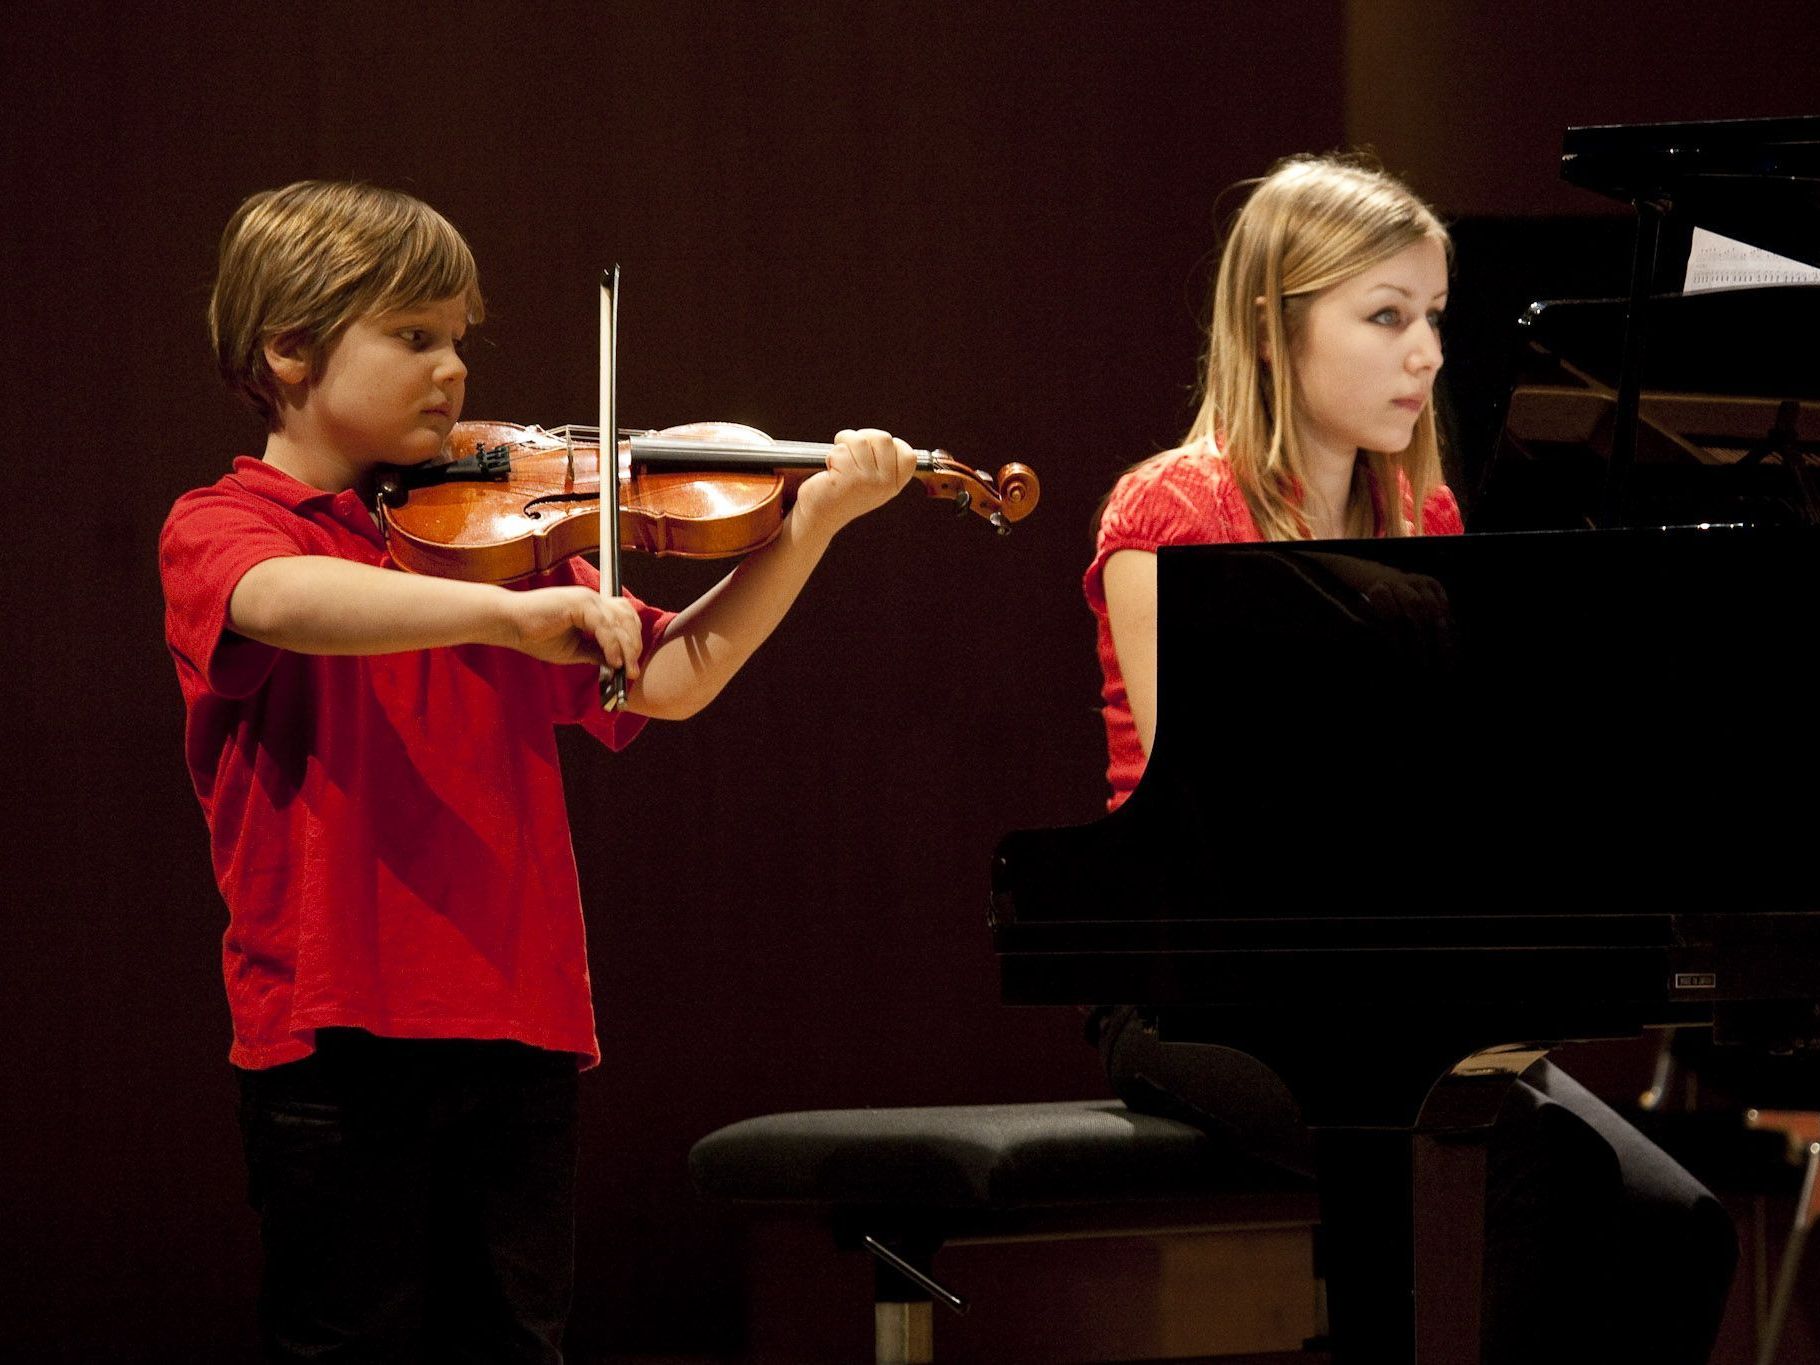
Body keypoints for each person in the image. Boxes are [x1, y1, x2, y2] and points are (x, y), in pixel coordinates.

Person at [160, 180, 918, 1363]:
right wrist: (500, 620)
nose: (453, 370)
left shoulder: (497, 532)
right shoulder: (229, 526)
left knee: (517, 1344)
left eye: (459, 337)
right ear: (291, 350)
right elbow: (283, 605)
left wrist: (809, 525)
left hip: (517, 1022)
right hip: (335, 1036)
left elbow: (668, 679)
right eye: (413, 337)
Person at [1082, 154, 1736, 1363]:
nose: (1427, 354)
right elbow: (1206, 805)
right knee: (1533, 1181)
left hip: (1385, 981)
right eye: (1384, 318)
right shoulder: (1172, 514)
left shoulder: (1420, 523)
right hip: (1200, 988)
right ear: (1271, 332)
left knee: (1677, 1224)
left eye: (1432, 316)